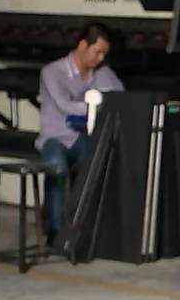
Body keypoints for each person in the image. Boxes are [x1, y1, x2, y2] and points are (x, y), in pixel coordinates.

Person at [36, 24, 125, 243]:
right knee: (57, 167)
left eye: (104, 54)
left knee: (101, 163)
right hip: (56, 137)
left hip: (82, 137)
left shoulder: (101, 72)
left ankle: (88, 227)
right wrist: (95, 106)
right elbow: (65, 106)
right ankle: (56, 232)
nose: (100, 58)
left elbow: (119, 97)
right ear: (83, 45)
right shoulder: (52, 72)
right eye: (97, 52)